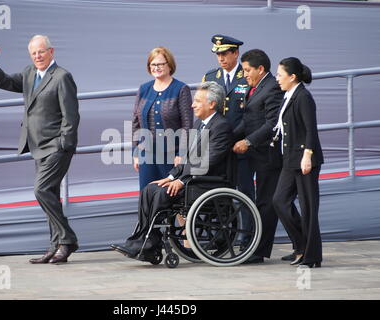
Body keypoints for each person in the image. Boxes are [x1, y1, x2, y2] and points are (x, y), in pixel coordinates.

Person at [0, 35, 80, 264]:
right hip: (37, 146)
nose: (37, 56)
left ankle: (67, 240)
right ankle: (56, 245)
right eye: (34, 53)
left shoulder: (62, 76)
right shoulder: (29, 74)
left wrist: (65, 143)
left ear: (51, 52)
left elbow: (71, 115)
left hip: (57, 146)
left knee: (41, 190)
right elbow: (5, 82)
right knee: (51, 195)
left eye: (41, 52)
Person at [111, 81, 232, 258]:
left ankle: (149, 244)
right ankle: (142, 240)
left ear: (212, 104)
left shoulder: (221, 126)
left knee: (162, 194)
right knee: (149, 190)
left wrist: (181, 181)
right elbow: (187, 159)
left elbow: (208, 161)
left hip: (207, 182)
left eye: (197, 101)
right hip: (192, 178)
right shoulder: (200, 124)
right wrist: (170, 176)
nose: (193, 105)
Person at [202, 34, 255, 249]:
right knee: (219, 193)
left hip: (240, 145)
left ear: (236, 53)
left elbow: (250, 114)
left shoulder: (247, 76)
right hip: (218, 147)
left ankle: (246, 238)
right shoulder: (210, 76)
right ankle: (223, 237)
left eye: (225, 53)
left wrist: (235, 137)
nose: (221, 59)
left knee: (243, 192)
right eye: (218, 54)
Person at [232, 49, 284, 264]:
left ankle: (259, 251)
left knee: (266, 202)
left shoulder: (271, 88)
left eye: (247, 70)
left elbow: (272, 124)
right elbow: (249, 119)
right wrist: (228, 137)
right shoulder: (256, 88)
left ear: (260, 69)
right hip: (257, 153)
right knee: (281, 204)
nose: (245, 74)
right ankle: (302, 244)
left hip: (268, 154)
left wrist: (248, 141)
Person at [273, 57, 324, 268]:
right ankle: (301, 245)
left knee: (308, 207)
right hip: (290, 159)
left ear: (292, 77)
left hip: (304, 159)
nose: (277, 79)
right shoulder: (288, 95)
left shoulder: (303, 97)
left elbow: (310, 129)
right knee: (279, 201)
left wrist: (308, 155)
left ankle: (311, 257)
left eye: (280, 75)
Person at [132, 47, 193, 191]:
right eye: (153, 64)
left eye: (160, 64)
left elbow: (187, 125)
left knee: (169, 196)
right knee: (147, 193)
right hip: (146, 154)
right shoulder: (144, 89)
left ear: (169, 65)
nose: (156, 68)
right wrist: (135, 153)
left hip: (172, 154)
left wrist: (181, 154)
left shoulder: (181, 89)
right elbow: (135, 123)